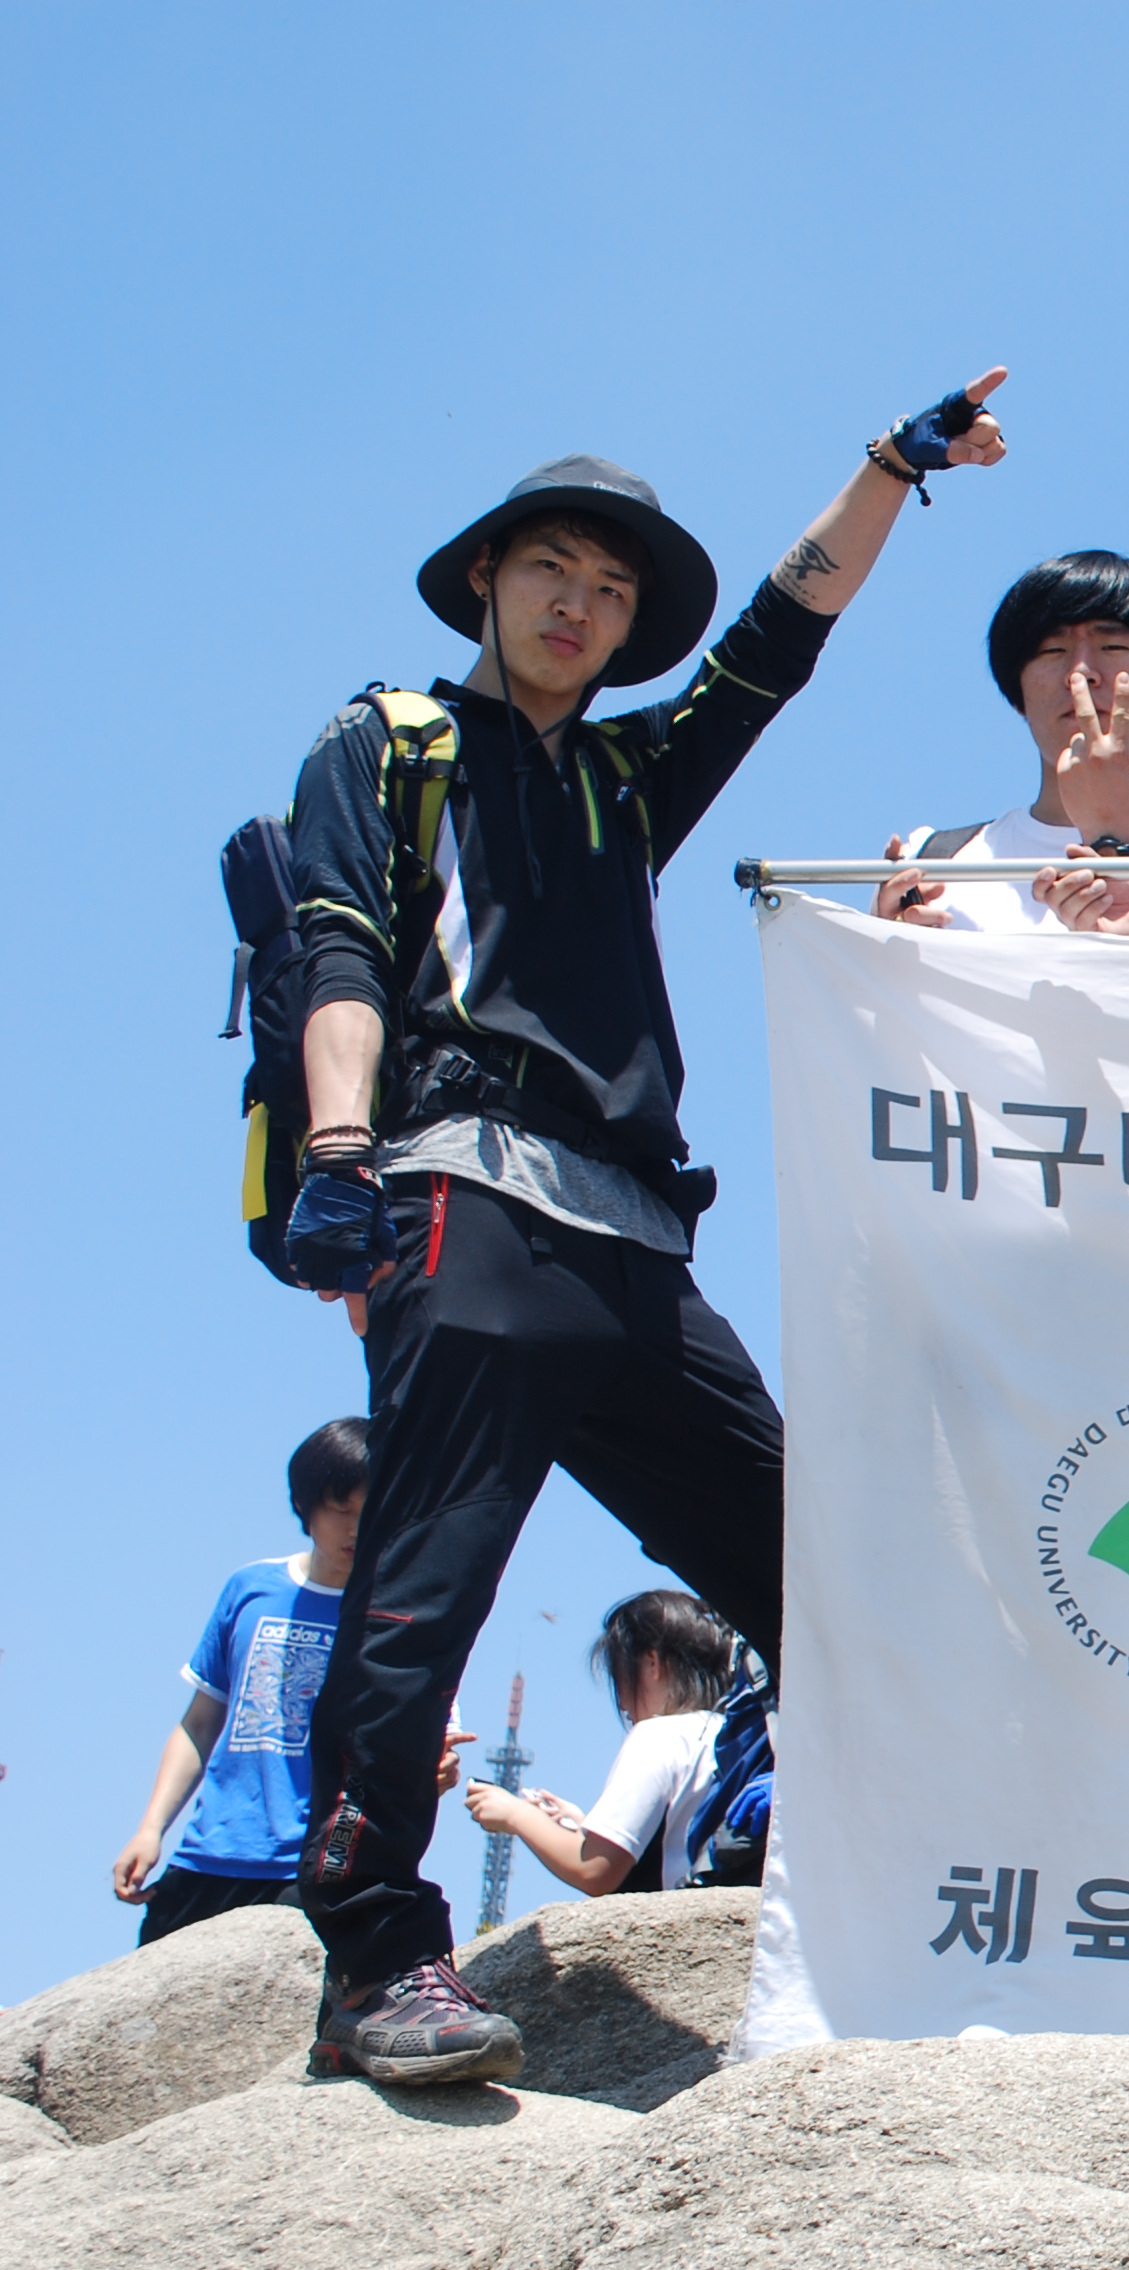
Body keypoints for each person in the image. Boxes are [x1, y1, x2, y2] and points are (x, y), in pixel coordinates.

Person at [277, 372, 1012, 2083]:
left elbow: (773, 642)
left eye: (611, 589)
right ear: (486, 578)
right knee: (425, 1583)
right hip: (462, 1192)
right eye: (551, 567)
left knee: (814, 1562)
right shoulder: (391, 740)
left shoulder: (626, 774)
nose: (579, 605)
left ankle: (936, 1891)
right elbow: (335, 943)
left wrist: (891, 469)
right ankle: (376, 1953)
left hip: (635, 1240)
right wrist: (341, 1147)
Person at [111, 1419, 462, 1945]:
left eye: (372, 1512)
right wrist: (150, 1829)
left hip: (323, 1869)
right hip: (210, 1857)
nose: (355, 1529)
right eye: (340, 1510)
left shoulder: (404, 1615)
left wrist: (434, 1773)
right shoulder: (251, 1588)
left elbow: (432, 1752)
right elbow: (199, 1724)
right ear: (305, 1505)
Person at [867, 551, 1129, 933]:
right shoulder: (931, 861)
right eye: (1052, 650)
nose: (1080, 673)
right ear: (1018, 695)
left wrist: (1114, 837)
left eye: (1113, 647)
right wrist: (883, 944)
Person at [460, 1593, 742, 1897]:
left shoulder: (661, 1735)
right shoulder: (734, 1733)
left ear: (652, 1663)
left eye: (620, 1677)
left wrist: (514, 1814)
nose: (622, 1704)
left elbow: (594, 1870)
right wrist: (585, 1828)